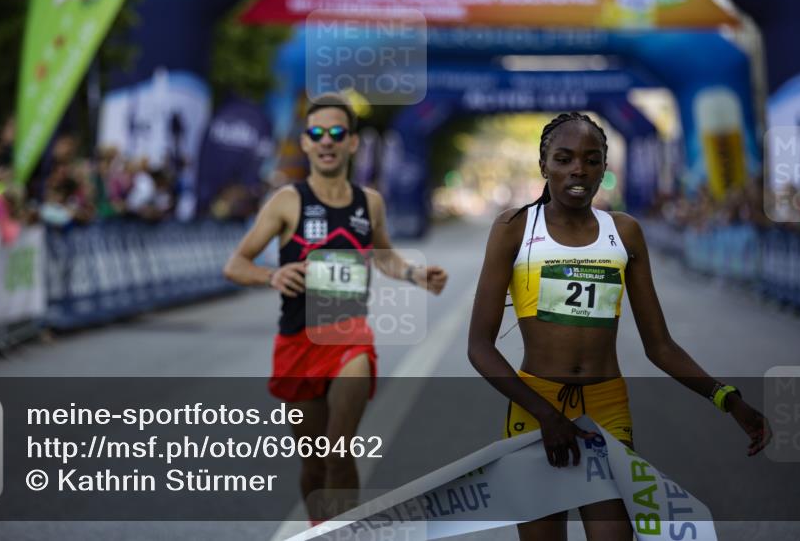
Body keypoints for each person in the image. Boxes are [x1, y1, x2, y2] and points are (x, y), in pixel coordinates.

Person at [467, 112, 771, 541]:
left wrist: (726, 397)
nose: (579, 170)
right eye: (564, 158)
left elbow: (660, 345)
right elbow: (479, 346)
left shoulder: (624, 232)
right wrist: (546, 415)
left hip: (606, 407)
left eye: (592, 160)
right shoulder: (514, 228)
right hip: (535, 406)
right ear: (544, 165)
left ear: (605, 167)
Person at [224, 94, 448, 525]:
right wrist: (272, 275)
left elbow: (383, 256)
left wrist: (415, 274)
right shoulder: (287, 201)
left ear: (351, 144)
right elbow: (235, 264)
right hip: (297, 342)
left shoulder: (370, 203)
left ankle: (345, 535)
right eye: (316, 133)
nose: (326, 141)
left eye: (337, 133)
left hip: (349, 337)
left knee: (338, 450)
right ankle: (319, 528)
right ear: (306, 144)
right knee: (314, 466)